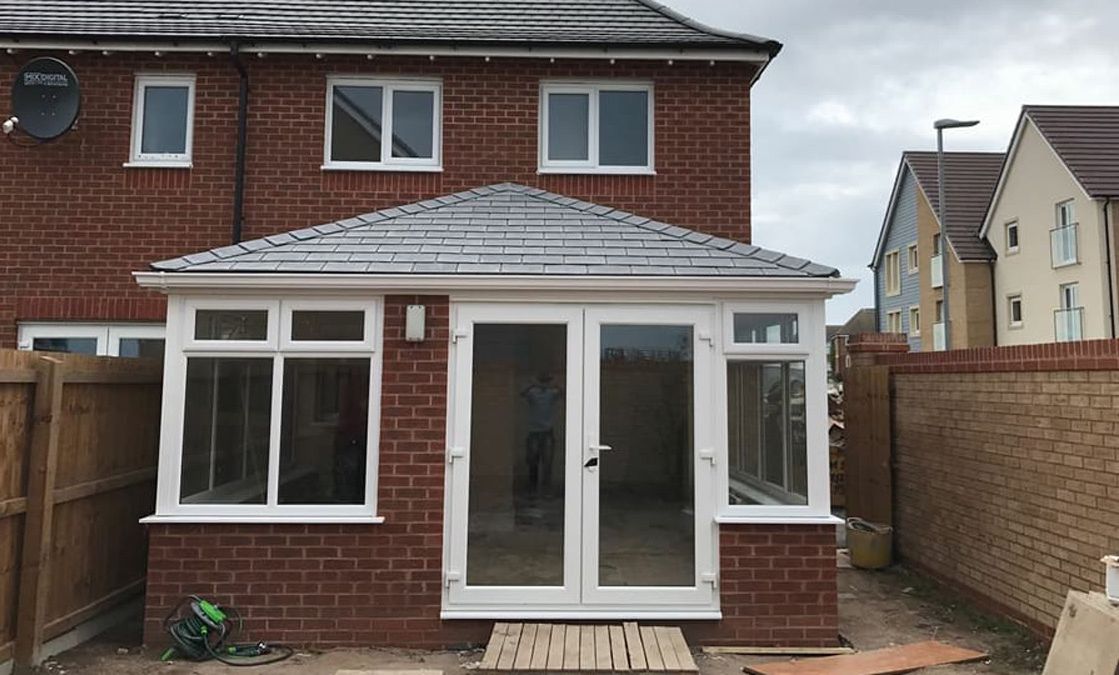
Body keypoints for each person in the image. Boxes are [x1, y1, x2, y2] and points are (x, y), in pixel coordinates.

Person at [521, 373, 562, 493]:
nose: (544, 384)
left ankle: (546, 487)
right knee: (532, 460)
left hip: (547, 432)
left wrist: (553, 384)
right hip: (534, 432)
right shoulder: (533, 393)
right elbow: (522, 393)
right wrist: (533, 384)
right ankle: (532, 486)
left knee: (547, 461)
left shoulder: (551, 393)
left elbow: (563, 392)